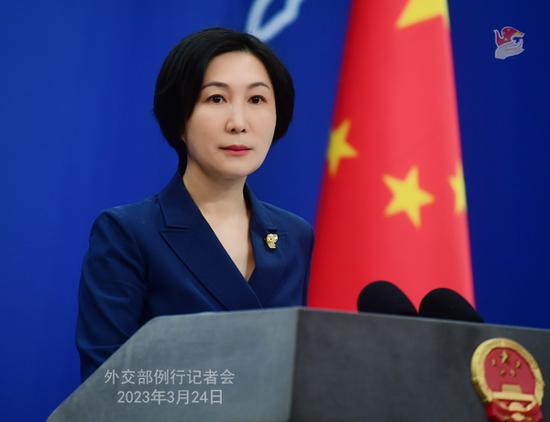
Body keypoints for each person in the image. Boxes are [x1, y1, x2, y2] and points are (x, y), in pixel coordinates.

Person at [76, 28, 314, 382]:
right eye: (216, 99)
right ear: (179, 120)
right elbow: (106, 383)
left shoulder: (294, 235)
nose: (239, 123)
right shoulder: (128, 233)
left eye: (257, 100)